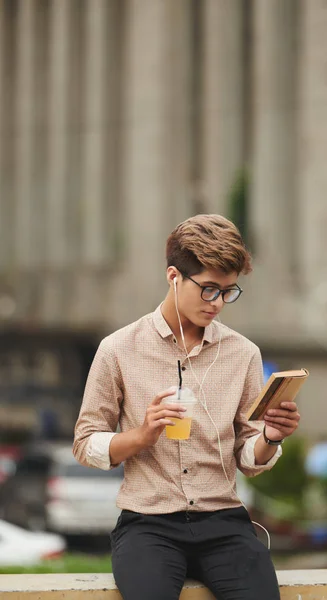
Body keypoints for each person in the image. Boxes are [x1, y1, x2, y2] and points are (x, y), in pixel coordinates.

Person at [73, 214, 301, 600]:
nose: (218, 303)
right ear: (174, 276)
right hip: (148, 525)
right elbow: (84, 444)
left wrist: (270, 438)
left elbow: (249, 456)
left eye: (229, 291)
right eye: (209, 289)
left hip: (224, 523)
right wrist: (141, 436)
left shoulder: (243, 354)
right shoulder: (118, 349)